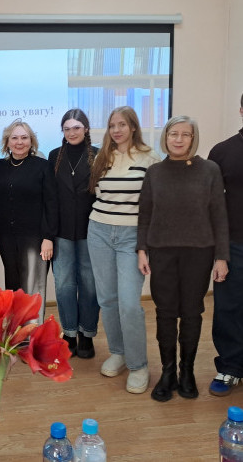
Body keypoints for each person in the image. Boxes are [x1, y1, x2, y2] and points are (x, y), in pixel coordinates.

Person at [138, 115, 229, 401]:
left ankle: (186, 371)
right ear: (165, 137)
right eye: (173, 133)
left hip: (199, 252)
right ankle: (168, 373)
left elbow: (219, 215)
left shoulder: (210, 170)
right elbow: (145, 214)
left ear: (193, 138)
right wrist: (141, 249)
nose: (178, 139)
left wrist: (221, 257)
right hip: (161, 252)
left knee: (191, 312)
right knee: (165, 313)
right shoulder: (155, 172)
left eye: (185, 134)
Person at [87, 106, 160, 394]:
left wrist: (145, 246)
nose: (116, 130)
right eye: (112, 125)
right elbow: (98, 194)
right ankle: (117, 352)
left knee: (129, 304)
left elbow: (152, 205)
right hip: (99, 231)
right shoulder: (102, 157)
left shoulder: (149, 158)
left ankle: (138, 365)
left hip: (131, 236)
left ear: (133, 127)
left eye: (122, 125)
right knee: (107, 299)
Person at [0, 119, 58, 323]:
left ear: (31, 141)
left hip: (35, 239)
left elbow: (51, 203)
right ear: (7, 142)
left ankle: (32, 335)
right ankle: (16, 334)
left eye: (24, 138)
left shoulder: (43, 166)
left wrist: (48, 237)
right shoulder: (0, 166)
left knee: (33, 289)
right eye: (15, 138)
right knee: (13, 287)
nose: (19, 142)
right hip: (6, 237)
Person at [48, 109, 99, 358]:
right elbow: (50, 197)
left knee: (89, 284)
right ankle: (69, 333)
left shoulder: (98, 155)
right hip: (62, 231)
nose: (72, 132)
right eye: (67, 128)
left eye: (76, 127)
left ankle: (86, 334)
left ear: (86, 129)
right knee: (64, 284)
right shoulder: (54, 155)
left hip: (92, 231)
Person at [207, 95, 243, 397]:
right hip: (233, 245)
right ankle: (231, 366)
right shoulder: (222, 152)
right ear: (241, 109)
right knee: (228, 309)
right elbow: (213, 207)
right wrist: (219, 254)